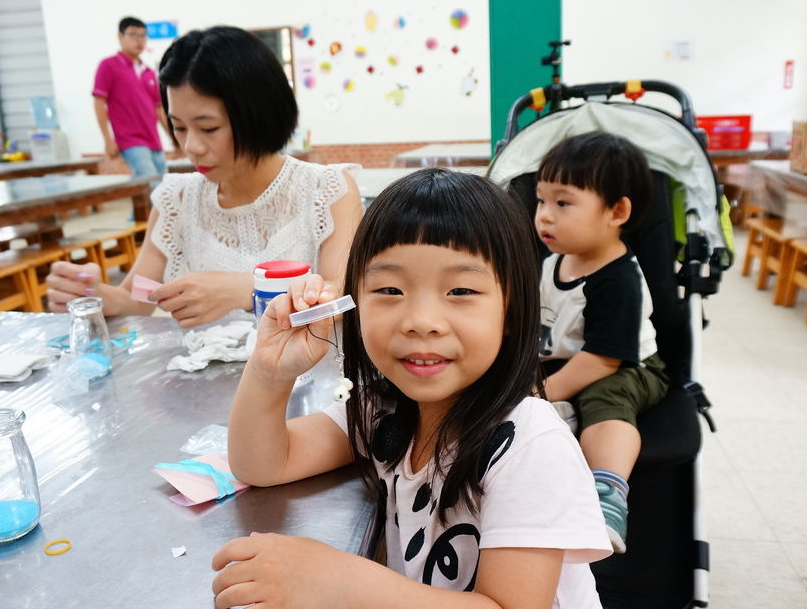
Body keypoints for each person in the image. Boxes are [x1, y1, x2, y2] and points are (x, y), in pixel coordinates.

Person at [213, 169, 611, 609]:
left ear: (511, 310)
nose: (421, 320)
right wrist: (270, 372)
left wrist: (338, 581)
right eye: (389, 289)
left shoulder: (530, 444)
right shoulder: (384, 410)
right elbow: (264, 463)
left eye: (460, 289)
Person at [47, 26, 363, 328]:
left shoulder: (327, 191)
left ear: (259, 117)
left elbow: (341, 302)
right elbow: (141, 294)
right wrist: (97, 295)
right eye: (179, 127)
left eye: (208, 128)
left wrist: (249, 292)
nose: (191, 147)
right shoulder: (177, 199)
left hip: (307, 378)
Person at [533, 132, 670, 554]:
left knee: (604, 399)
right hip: (566, 359)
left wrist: (541, 392)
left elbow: (600, 361)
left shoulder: (618, 279)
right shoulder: (554, 261)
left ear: (617, 211)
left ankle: (608, 494)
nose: (544, 216)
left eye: (563, 203)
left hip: (627, 368)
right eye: (541, 201)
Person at [92, 16, 176, 178]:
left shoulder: (149, 72)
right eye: (133, 35)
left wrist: (172, 137)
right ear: (120, 36)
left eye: (143, 35)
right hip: (130, 141)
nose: (139, 40)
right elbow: (99, 103)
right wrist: (108, 140)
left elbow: (159, 109)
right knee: (150, 184)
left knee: (164, 188)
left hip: (154, 141)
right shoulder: (108, 66)